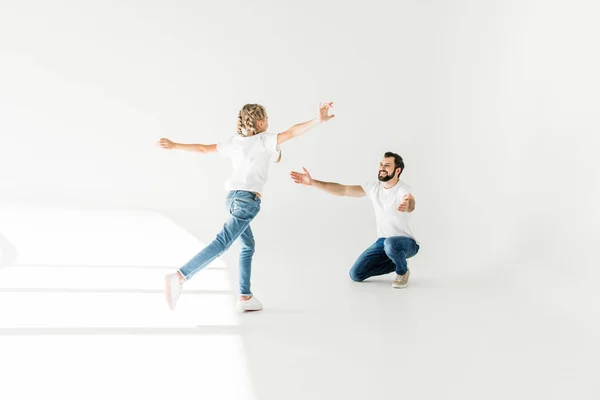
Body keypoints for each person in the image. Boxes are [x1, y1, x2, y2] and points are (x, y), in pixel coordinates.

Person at [158, 101, 335, 311]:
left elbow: (204, 149)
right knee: (222, 243)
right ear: (260, 122)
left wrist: (175, 144)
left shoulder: (236, 141)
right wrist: (318, 120)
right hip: (247, 201)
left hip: (231, 199)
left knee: (247, 245)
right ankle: (180, 276)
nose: (269, 123)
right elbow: (293, 132)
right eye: (267, 119)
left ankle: (245, 297)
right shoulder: (265, 139)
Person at [290, 152, 419, 288]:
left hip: (407, 243)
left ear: (397, 170)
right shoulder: (374, 188)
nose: (382, 168)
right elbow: (343, 190)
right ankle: (398, 260)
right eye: (381, 164)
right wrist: (312, 183)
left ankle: (402, 271)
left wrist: (407, 205)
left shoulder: (402, 189)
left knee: (391, 244)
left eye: (387, 165)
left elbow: (410, 203)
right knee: (356, 274)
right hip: (383, 242)